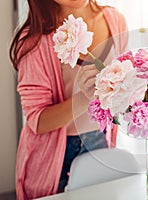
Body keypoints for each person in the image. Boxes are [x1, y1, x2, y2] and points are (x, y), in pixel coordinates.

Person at [9, 0, 127, 199]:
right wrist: (85, 98)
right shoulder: (34, 41)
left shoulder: (115, 20)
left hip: (99, 140)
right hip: (55, 155)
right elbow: (37, 121)